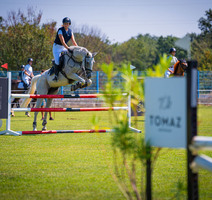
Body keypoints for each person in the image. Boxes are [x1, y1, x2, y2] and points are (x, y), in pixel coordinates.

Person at [52, 17, 78, 81]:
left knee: (72, 55)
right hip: (57, 48)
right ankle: (56, 75)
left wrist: (78, 48)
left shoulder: (70, 31)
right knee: (57, 62)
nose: (66, 25)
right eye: (65, 23)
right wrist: (68, 48)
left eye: (67, 23)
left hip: (64, 47)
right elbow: (62, 42)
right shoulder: (60, 30)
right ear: (63, 24)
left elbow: (74, 42)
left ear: (69, 24)